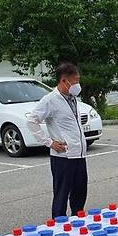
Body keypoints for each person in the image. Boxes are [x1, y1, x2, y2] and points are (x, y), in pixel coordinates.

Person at [27, 62, 88, 218]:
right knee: (61, 195)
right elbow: (32, 121)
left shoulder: (73, 98)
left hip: (79, 155)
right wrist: (49, 142)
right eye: (75, 81)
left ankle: (78, 222)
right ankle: (58, 227)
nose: (77, 85)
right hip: (63, 157)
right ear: (63, 81)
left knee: (80, 194)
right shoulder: (50, 100)